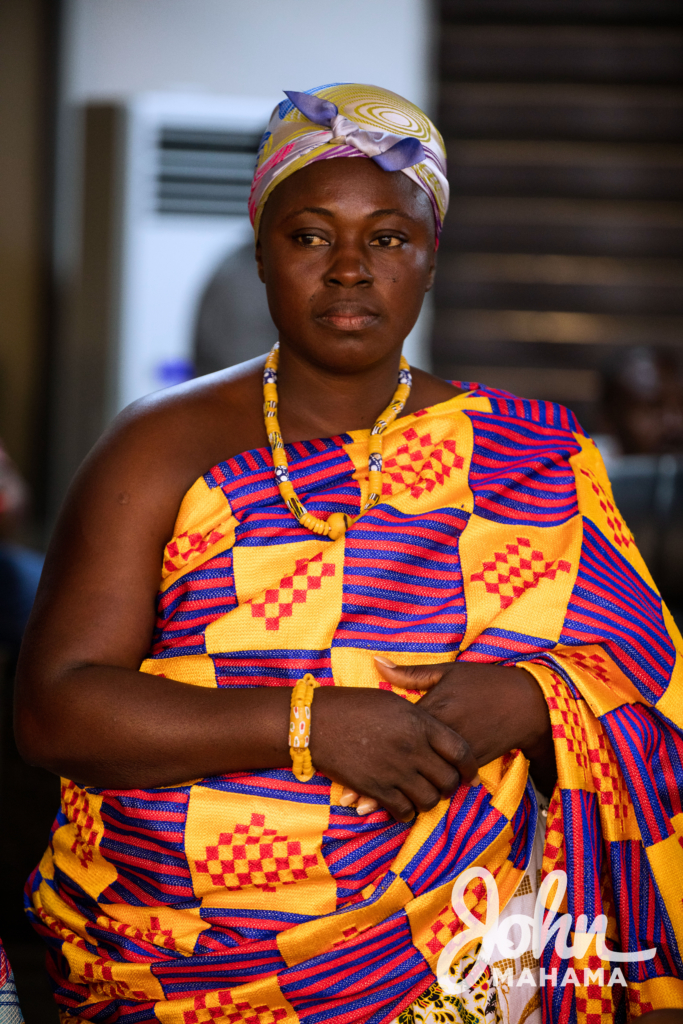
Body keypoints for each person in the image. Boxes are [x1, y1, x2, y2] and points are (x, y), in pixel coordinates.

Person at [15, 84, 683, 1024]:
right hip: (176, 958)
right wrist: (311, 725)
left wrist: (533, 700)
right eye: (310, 236)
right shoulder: (157, 446)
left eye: (389, 238)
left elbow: (645, 684)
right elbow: (54, 710)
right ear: (259, 253)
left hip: (456, 949)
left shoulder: (531, 454)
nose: (349, 271)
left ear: (430, 257)